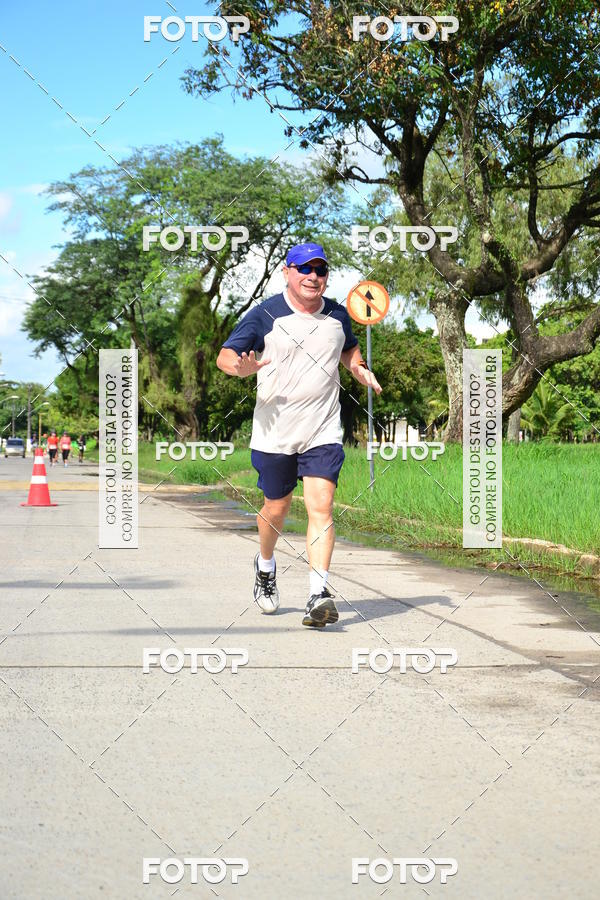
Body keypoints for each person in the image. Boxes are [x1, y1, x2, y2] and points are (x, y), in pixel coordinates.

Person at [216, 242, 382, 628]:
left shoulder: (338, 316)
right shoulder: (265, 315)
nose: (313, 277)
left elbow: (349, 351)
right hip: (275, 432)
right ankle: (266, 564)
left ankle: (318, 594)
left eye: (320, 270)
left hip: (322, 428)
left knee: (321, 506)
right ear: (287, 272)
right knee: (276, 509)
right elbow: (226, 356)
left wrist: (359, 368)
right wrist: (241, 369)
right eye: (304, 269)